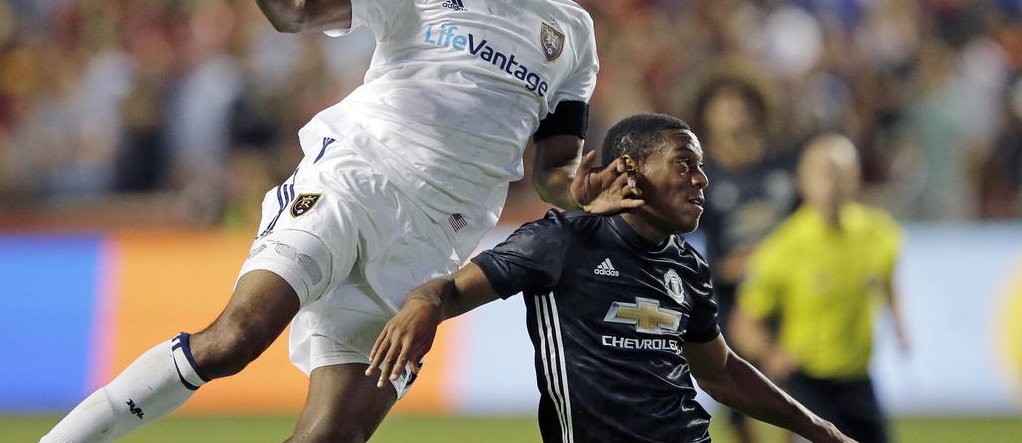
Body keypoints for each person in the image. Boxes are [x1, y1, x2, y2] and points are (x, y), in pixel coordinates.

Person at [42, 0, 641, 443]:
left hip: (435, 241)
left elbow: (554, 167)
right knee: (235, 339)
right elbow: (296, 9)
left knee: (333, 435)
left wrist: (583, 188)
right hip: (353, 182)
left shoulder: (573, 34)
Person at [368, 114, 857, 443]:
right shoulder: (561, 241)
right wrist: (423, 304)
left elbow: (720, 370)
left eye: (702, 168)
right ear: (631, 171)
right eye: (684, 164)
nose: (701, 180)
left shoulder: (689, 266)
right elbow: (448, 290)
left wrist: (819, 429)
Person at [730, 134, 906, 443]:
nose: (832, 183)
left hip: (859, 378)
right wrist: (770, 354)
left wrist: (901, 326)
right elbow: (743, 323)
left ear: (855, 178)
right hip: (808, 382)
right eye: (823, 173)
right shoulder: (783, 247)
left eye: (840, 173)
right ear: (803, 180)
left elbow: (887, 281)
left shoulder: (880, 233)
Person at [688, 74, 800, 443]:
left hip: (786, 296)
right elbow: (680, 236)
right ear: (708, 117)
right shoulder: (702, 177)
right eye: (724, 108)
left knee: (791, 384)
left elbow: (806, 228)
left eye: (740, 106)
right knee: (734, 388)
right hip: (728, 296)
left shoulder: (782, 169)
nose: (734, 115)